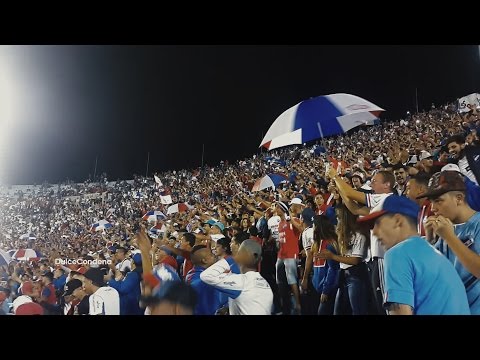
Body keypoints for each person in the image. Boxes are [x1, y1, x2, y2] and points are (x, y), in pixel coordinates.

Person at [358, 195, 470, 315]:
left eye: (378, 224)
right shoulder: (433, 253)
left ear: (398, 220)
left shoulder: (398, 254)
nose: (374, 232)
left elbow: (401, 313)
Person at [421, 170, 480, 314]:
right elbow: (431, 274)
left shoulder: (477, 224)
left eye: (438, 201)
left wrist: (450, 238)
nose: (433, 208)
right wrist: (429, 240)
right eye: (432, 202)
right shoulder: (446, 229)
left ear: (459, 198)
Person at [318, 205, 369, 315]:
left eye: (339, 217)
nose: (337, 220)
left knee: (358, 310)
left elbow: (355, 260)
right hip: (343, 276)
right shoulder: (343, 234)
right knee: (339, 311)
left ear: (346, 218)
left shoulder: (359, 235)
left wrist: (332, 256)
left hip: (356, 276)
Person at [200, 239, 273, 315]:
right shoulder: (265, 284)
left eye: (239, 253)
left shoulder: (241, 282)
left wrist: (230, 259)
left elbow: (206, 276)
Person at [311, 215, 339, 315]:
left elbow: (333, 269)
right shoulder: (317, 243)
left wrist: (326, 290)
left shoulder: (329, 244)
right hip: (319, 288)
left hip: (328, 290)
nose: (312, 227)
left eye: (313, 225)